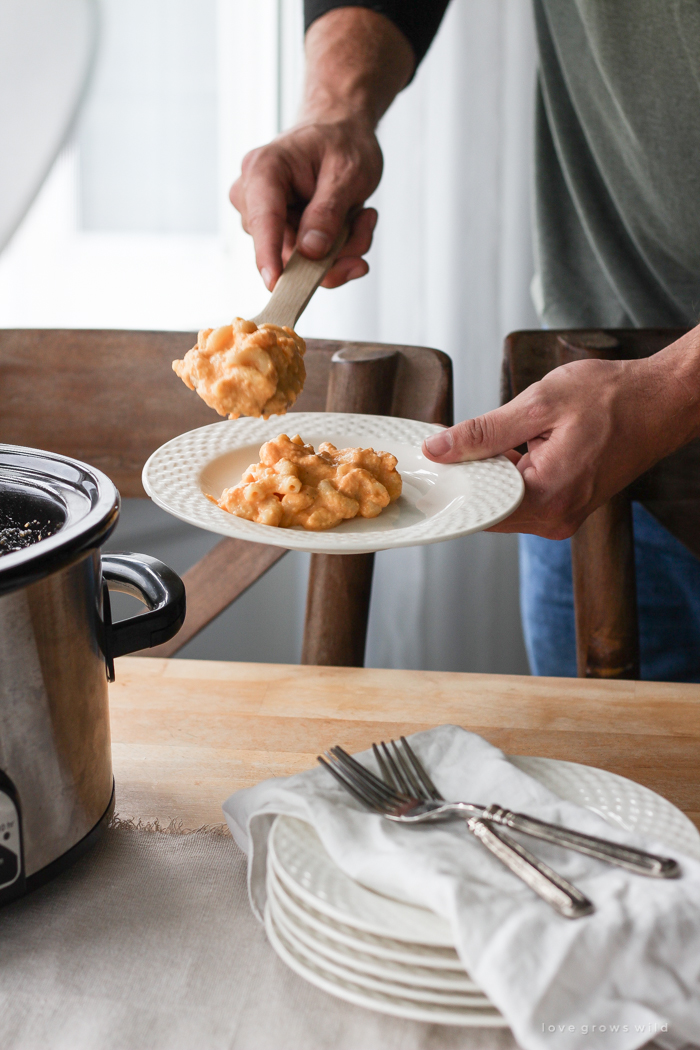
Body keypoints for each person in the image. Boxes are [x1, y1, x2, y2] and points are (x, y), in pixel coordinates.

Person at [230, 1, 700, 681]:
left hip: (631, 403)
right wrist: (338, 108)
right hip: (596, 412)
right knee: (598, 779)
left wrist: (674, 387)